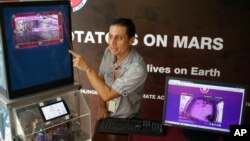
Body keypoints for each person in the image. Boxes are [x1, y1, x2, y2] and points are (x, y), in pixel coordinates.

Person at [69, 18, 148, 119]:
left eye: (118, 38)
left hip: (127, 120)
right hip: (107, 114)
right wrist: (101, 106)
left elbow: (108, 95)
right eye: (110, 37)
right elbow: (101, 77)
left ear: (131, 40)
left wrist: (88, 68)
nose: (112, 43)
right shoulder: (109, 51)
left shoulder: (137, 68)